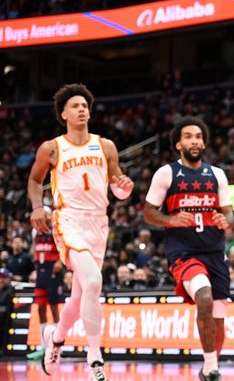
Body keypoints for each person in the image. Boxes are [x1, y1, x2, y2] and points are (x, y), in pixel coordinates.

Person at [27, 83, 134, 380]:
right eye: (75, 105)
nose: (82, 109)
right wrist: (37, 207)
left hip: (98, 222)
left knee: (81, 294)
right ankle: (95, 357)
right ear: (64, 113)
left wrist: (123, 189)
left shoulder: (106, 146)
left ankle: (55, 337)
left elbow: (117, 186)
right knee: (93, 280)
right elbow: (35, 181)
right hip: (68, 220)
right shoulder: (51, 148)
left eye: (85, 105)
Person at [145, 117, 234, 381]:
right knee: (203, 298)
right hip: (184, 253)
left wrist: (224, 220)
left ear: (204, 142)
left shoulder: (217, 174)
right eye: (188, 136)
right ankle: (212, 366)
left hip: (216, 252)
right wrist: (169, 219)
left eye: (198, 136)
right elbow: (148, 213)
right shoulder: (167, 173)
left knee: (218, 318)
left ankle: (209, 367)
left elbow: (229, 215)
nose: (194, 140)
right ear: (178, 144)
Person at [26, 228, 65, 361]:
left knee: (54, 308)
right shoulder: (35, 232)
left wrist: (60, 261)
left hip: (53, 271)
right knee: (40, 308)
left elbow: (64, 245)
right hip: (40, 272)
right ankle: (44, 346)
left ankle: (57, 346)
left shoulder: (57, 229)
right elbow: (34, 250)